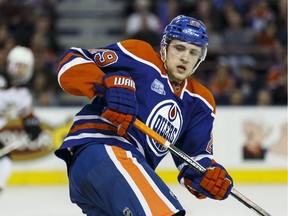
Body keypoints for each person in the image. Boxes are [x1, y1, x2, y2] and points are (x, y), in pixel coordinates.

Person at [55, 15, 233, 215]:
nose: (185, 58)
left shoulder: (201, 101)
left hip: (119, 175)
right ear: (164, 47)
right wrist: (108, 83)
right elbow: (71, 62)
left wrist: (208, 177)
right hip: (103, 149)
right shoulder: (140, 56)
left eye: (194, 52)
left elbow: (193, 159)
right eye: (179, 48)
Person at [0, 45, 43, 192]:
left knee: (5, 160)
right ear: (10, 64)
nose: (21, 70)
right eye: (19, 66)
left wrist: (33, 126)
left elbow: (27, 115)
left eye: (25, 67)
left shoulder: (23, 94)